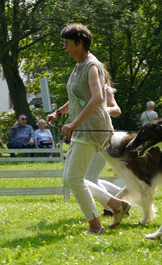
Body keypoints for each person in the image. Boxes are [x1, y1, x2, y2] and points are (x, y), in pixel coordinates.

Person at [46, 23, 130, 235]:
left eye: (67, 43)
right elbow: (76, 97)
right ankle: (116, 205)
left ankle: (95, 226)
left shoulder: (92, 66)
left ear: (80, 42)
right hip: (84, 129)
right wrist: (59, 113)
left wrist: (73, 124)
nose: (64, 47)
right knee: (71, 178)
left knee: (74, 178)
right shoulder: (78, 67)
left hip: (93, 129)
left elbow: (97, 98)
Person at [85, 69, 124, 217]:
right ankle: (121, 199)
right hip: (90, 137)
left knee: (88, 178)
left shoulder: (105, 89)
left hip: (103, 137)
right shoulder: (86, 91)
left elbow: (117, 110)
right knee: (90, 177)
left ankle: (113, 206)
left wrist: (104, 110)